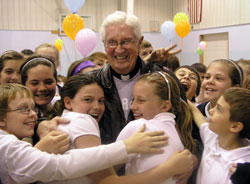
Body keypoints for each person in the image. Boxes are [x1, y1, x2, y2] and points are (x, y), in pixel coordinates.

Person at [0, 83, 188, 184]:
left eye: (101, 100)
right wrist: (128, 147)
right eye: (88, 99)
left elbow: (19, 174)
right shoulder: (83, 121)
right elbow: (104, 180)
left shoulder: (57, 124)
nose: (96, 107)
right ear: (68, 102)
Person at [88, 11, 182, 144]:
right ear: (104, 44)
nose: (119, 50)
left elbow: (187, 127)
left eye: (126, 42)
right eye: (112, 42)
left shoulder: (164, 79)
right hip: (104, 163)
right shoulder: (90, 83)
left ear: (139, 42)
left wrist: (191, 158)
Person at [116, 72, 196, 183]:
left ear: (165, 106)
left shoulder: (139, 127)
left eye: (141, 100)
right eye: (133, 99)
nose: (132, 106)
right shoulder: (178, 134)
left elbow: (103, 174)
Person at [188, 87, 250, 184]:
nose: (211, 111)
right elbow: (196, 113)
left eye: (219, 109)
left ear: (235, 126)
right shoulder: (213, 137)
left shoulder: (239, 168)